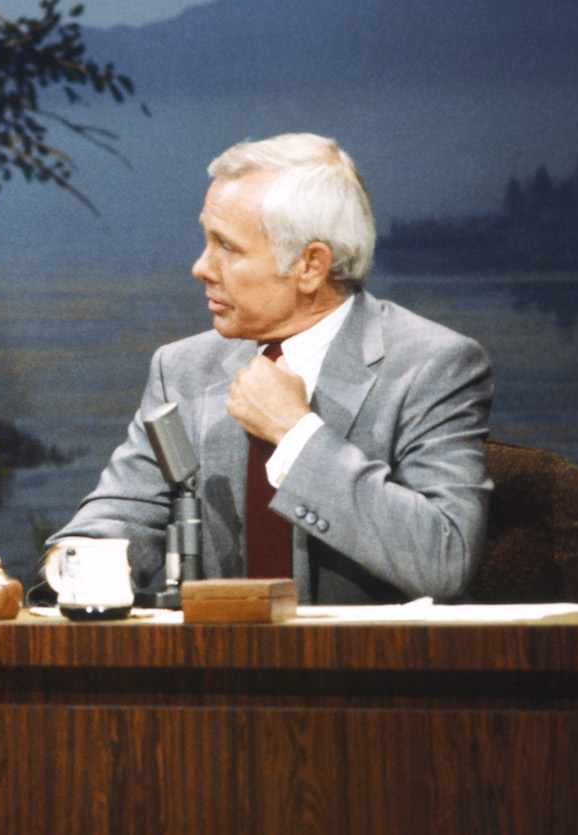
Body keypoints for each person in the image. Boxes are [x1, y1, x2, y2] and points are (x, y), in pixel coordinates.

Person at [44, 133, 493, 605]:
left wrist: (297, 434)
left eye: (228, 247)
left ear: (310, 266)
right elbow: (117, 518)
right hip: (213, 670)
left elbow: (445, 561)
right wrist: (71, 567)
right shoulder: (182, 369)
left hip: (363, 672)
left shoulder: (433, 365)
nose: (200, 266)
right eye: (206, 240)